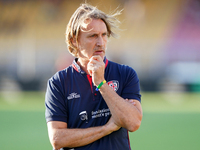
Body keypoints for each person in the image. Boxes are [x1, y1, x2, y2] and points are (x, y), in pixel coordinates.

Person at [45, 3, 143, 150]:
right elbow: (57, 139)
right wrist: (107, 128)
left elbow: (133, 122)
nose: (100, 43)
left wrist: (101, 84)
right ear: (74, 41)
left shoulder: (125, 73)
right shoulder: (58, 83)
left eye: (104, 35)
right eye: (93, 36)